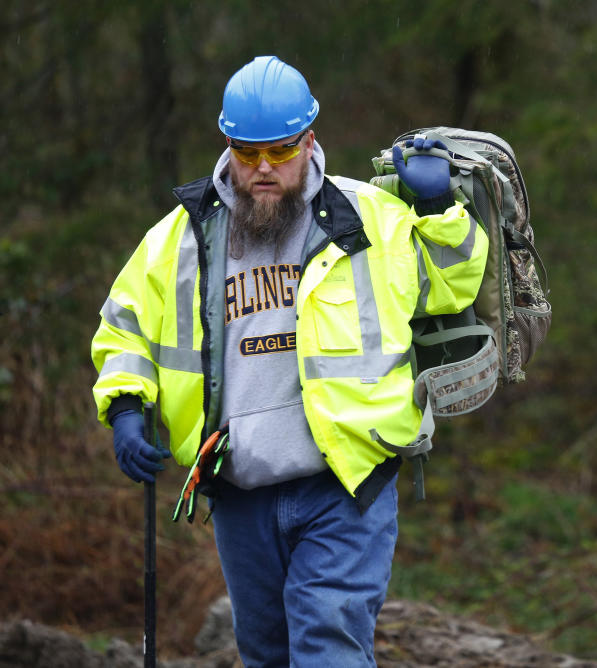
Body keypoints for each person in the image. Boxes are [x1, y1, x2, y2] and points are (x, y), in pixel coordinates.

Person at [91, 55, 488, 667]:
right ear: (227, 145)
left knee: (328, 645)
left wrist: (437, 210)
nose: (265, 169)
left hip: (347, 482)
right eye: (248, 154)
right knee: (267, 655)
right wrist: (125, 404)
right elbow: (125, 326)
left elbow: (452, 284)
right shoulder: (184, 237)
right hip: (240, 489)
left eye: (280, 150)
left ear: (310, 140)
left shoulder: (370, 218)